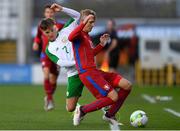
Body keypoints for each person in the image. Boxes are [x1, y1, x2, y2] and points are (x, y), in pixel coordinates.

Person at [68, 9, 132, 126]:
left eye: (93, 22)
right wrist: (83, 23)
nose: (92, 25)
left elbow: (90, 54)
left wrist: (101, 44)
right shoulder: (78, 35)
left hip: (96, 71)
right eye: (90, 22)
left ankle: (110, 115)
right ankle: (82, 110)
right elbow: (70, 37)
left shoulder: (87, 37)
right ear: (83, 21)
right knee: (113, 97)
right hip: (87, 73)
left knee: (127, 85)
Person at [32, 4, 64, 111]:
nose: (49, 14)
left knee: (53, 81)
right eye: (47, 12)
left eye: (51, 12)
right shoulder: (41, 25)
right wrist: (36, 43)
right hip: (45, 54)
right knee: (46, 75)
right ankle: (50, 100)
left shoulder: (59, 25)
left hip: (56, 56)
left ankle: (49, 96)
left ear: (54, 13)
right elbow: (37, 37)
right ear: (44, 14)